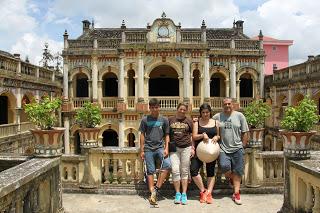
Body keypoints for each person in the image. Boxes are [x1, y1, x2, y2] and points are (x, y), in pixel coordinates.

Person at [212, 97, 249, 205]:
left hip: (237, 148)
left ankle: (236, 193)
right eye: (225, 104)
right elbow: (207, 122)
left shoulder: (239, 116)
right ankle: (233, 180)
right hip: (224, 148)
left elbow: (245, 132)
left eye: (229, 104)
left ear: (232, 104)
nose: (227, 106)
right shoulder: (218, 116)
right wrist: (196, 120)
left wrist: (243, 145)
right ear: (222, 105)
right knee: (224, 166)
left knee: (237, 171)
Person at [139, 98, 171, 205]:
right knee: (150, 170)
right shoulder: (145, 120)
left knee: (167, 165)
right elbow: (142, 135)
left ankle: (156, 189)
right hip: (148, 148)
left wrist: (166, 148)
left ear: (159, 107)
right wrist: (142, 149)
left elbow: (167, 135)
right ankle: (152, 192)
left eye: (156, 107)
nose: (154, 109)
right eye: (152, 107)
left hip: (160, 148)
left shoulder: (164, 120)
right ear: (149, 108)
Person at [190, 103, 220, 204]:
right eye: (203, 112)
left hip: (211, 151)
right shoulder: (196, 122)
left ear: (210, 112)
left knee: (211, 172)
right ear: (200, 113)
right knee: (193, 170)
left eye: (207, 112)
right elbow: (194, 136)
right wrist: (202, 135)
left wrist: (217, 137)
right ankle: (203, 191)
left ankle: (209, 193)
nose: (205, 114)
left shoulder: (215, 122)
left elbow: (218, 136)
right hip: (199, 151)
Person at [168, 103, 193, 205]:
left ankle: (184, 194)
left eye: (184, 110)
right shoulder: (170, 120)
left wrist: (193, 147)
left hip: (186, 147)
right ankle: (177, 193)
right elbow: (167, 134)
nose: (182, 111)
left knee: (184, 170)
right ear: (177, 109)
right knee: (175, 169)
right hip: (174, 148)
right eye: (180, 109)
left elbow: (192, 135)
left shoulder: (189, 121)